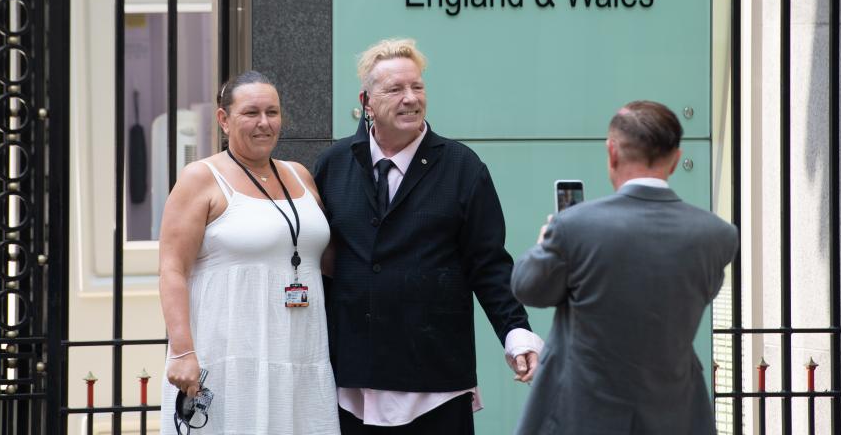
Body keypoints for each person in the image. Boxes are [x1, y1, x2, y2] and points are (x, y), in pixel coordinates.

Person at [313, 38, 543, 434]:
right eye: (395, 89)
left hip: (434, 380)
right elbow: (318, 262)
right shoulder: (334, 165)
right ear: (366, 101)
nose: (410, 98)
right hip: (351, 379)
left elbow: (487, 262)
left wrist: (515, 330)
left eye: (417, 87)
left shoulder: (462, 167)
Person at [511, 100, 739, 435]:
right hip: (674, 416)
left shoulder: (574, 227)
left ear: (612, 152)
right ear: (675, 160)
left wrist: (547, 240)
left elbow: (527, 286)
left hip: (580, 416)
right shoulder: (717, 235)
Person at [158, 71, 341, 435]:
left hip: (302, 351)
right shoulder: (201, 177)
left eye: (272, 112)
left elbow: (329, 259)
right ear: (224, 119)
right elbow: (171, 268)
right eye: (251, 113)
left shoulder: (300, 175)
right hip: (231, 354)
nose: (264, 123)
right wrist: (181, 351)